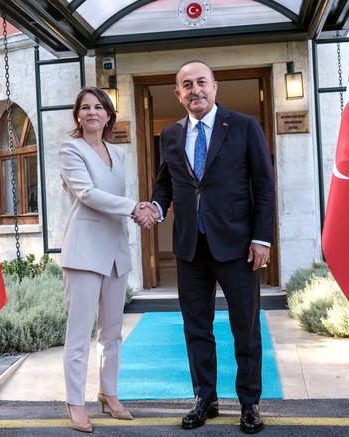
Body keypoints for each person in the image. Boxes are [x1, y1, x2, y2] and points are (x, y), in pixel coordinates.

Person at [136, 60, 275, 434]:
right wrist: (155, 206)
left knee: (245, 327)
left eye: (201, 82)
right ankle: (205, 399)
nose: (194, 89)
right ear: (178, 94)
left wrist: (262, 238)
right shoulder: (170, 135)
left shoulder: (244, 126)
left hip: (237, 246)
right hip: (189, 249)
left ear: (215, 87)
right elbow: (165, 185)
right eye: (186, 84)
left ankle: (249, 403)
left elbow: (263, 186)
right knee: (196, 328)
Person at [59, 87, 157, 433]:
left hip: (115, 252)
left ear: (108, 114)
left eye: (98, 107)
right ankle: (75, 403)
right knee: (79, 334)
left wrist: (139, 208)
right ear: (78, 115)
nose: (92, 112)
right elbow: (87, 194)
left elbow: (115, 196)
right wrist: (135, 207)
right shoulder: (70, 149)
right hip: (84, 253)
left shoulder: (118, 152)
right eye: (85, 107)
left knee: (112, 334)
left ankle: (108, 393)